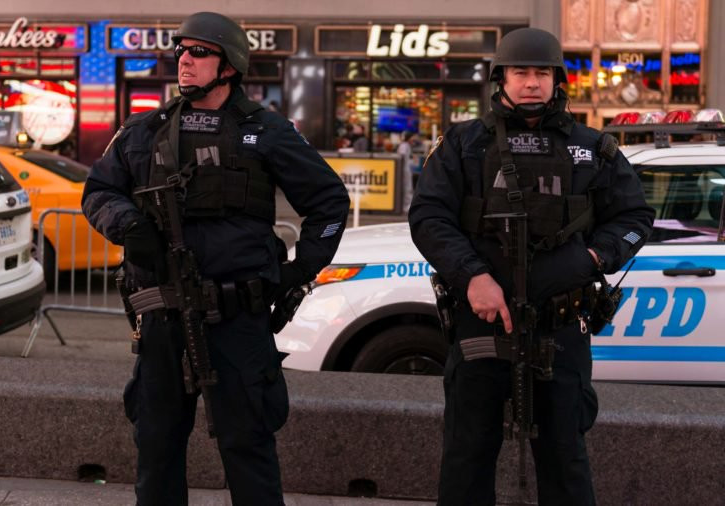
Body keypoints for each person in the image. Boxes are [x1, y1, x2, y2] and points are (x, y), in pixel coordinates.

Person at [82, 12, 349, 506]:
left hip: (236, 319)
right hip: (162, 317)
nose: (185, 60)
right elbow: (98, 191)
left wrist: (297, 271)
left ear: (229, 66)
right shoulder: (144, 129)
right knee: (157, 445)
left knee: (247, 444)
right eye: (181, 51)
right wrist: (129, 226)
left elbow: (329, 203)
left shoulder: (265, 131)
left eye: (199, 52)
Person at [408, 28, 654, 506]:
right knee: (466, 459)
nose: (531, 82)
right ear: (501, 79)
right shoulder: (463, 144)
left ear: (557, 80)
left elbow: (635, 218)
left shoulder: (593, 148)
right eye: (520, 72)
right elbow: (429, 217)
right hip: (481, 324)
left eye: (542, 72)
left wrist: (593, 257)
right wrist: (471, 275)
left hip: (560, 328)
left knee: (565, 462)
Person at [397, 131, 417, 213]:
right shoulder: (404, 146)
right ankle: (406, 206)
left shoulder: (406, 145)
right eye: (412, 137)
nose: (414, 139)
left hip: (406, 169)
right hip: (404, 170)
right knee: (407, 188)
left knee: (408, 187)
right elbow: (402, 158)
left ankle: (407, 205)